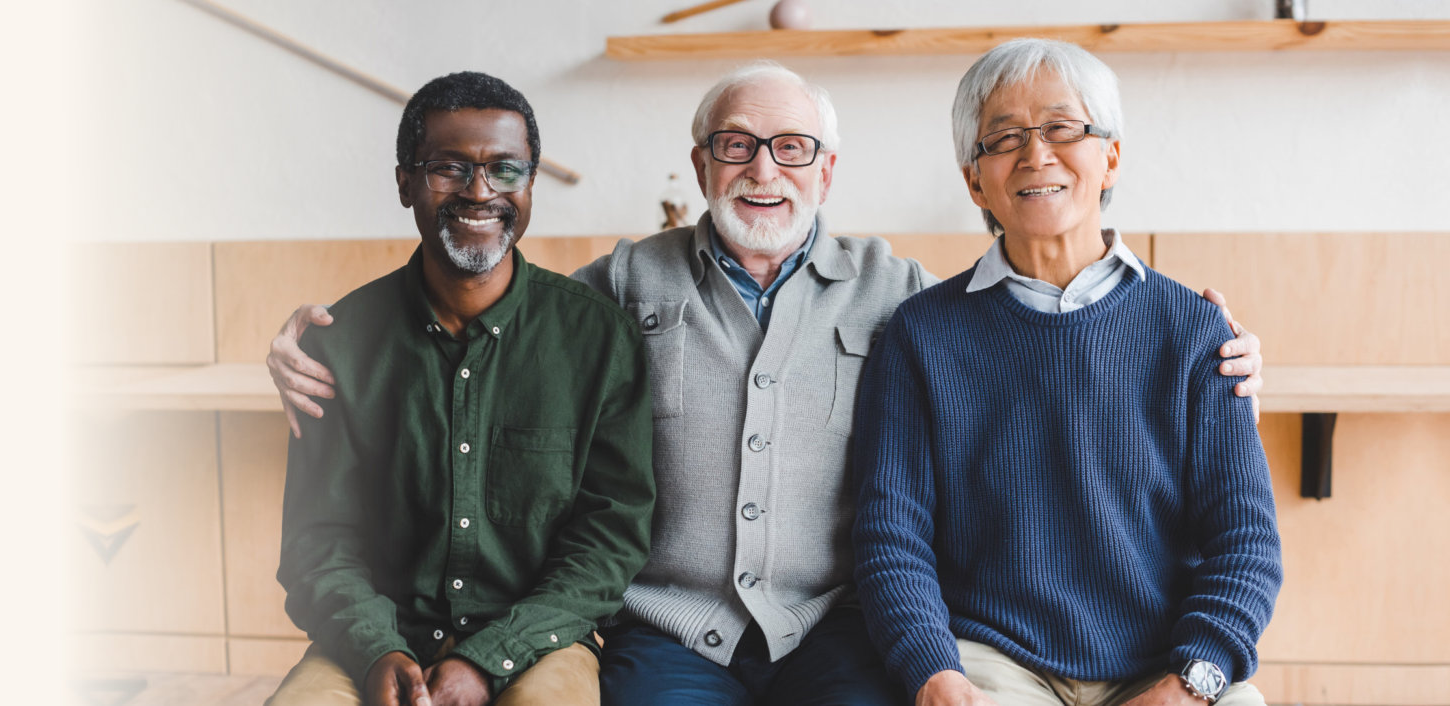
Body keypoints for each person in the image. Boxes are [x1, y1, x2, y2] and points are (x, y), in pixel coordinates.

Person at [267, 63, 1267, 706]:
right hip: (668, 633)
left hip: (833, 626)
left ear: (827, 172)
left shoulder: (908, 299)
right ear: (702, 165)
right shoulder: (619, 285)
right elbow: (496, 313)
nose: (764, 170)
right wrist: (318, 342)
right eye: (736, 145)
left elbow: (1029, 327)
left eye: (793, 149)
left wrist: (1223, 348)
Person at [850, 38, 1282, 706]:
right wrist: (935, 674)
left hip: (1165, 659)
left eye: (1063, 128)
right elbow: (891, 534)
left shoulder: (1197, 332)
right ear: (974, 180)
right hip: (992, 661)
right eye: (1005, 137)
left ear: (1110, 157)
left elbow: (1245, 541)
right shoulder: (921, 334)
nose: (1036, 154)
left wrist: (1190, 682)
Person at [267, 72, 656, 706]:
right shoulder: (337, 344)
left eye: (506, 170)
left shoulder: (598, 340)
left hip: (538, 641)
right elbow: (317, 540)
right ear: (404, 183)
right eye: (449, 168)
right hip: (376, 637)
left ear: (530, 184)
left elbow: (608, 543)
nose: (481, 192)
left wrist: (489, 658)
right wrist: (376, 651)